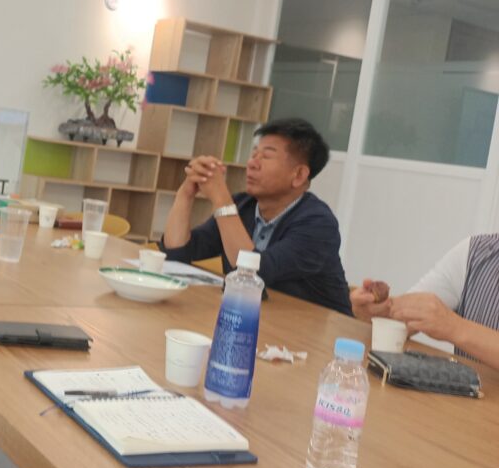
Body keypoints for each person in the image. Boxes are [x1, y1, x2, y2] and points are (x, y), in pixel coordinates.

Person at [161, 117, 351, 314]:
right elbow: (178, 254)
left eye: (266, 157)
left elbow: (254, 275)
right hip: (258, 318)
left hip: (317, 329)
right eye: (254, 154)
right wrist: (185, 194)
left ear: (299, 175)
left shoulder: (319, 224)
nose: (252, 163)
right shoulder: (243, 206)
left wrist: (221, 200)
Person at [351, 235, 499, 370]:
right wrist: (375, 311)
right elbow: (403, 320)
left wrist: (454, 326)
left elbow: (446, 322)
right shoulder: (474, 252)